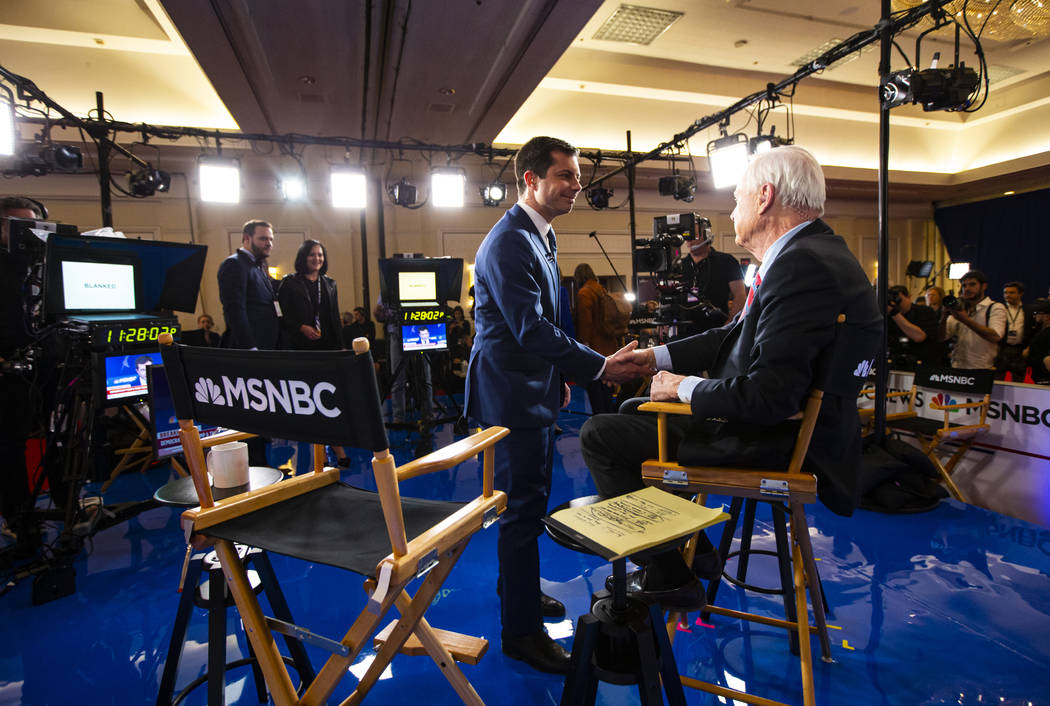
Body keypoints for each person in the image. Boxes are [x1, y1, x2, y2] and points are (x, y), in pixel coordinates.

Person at [579, 145, 881, 610]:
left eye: (737, 199)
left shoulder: (802, 265)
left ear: (764, 197)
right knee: (629, 411)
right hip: (790, 427)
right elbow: (732, 335)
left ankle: (669, 573)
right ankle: (695, 556)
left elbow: (768, 396)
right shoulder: (810, 252)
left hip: (781, 437)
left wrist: (681, 387)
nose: (732, 211)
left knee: (602, 434)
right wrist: (654, 358)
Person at [464, 136, 652, 674]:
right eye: (565, 176)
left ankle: (515, 591)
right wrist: (598, 365)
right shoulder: (509, 242)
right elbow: (529, 328)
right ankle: (520, 632)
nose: (576, 186)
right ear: (530, 179)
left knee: (530, 502)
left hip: (531, 384)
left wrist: (558, 376)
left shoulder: (538, 234)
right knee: (522, 510)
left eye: (576, 176)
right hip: (509, 395)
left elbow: (545, 323)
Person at [0, 197, 43, 558]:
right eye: (18, 226)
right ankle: (18, 521)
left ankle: (65, 508)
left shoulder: (37, 267)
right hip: (6, 374)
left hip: (40, 368)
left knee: (59, 445)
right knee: (9, 451)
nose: (27, 235)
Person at [672, 220, 745, 336]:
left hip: (717, 329)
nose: (689, 240)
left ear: (707, 235)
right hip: (685, 332)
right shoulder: (679, 265)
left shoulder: (727, 261)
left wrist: (730, 323)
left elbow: (740, 294)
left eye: (694, 235)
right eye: (687, 235)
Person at [218, 219, 280, 350]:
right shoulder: (234, 264)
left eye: (271, 239)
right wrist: (250, 347)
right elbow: (234, 311)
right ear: (247, 238)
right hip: (249, 348)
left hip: (265, 344)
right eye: (263, 239)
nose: (269, 244)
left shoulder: (259, 266)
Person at [277, 240, 343, 350]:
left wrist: (341, 346)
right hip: (299, 345)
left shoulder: (330, 284)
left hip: (327, 344)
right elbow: (281, 315)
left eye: (320, 255)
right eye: (311, 255)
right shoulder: (289, 282)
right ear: (303, 257)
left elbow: (335, 318)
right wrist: (300, 327)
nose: (317, 259)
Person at [573, 263, 619, 414]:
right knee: (607, 386)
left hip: (594, 345)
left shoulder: (584, 293)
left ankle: (600, 418)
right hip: (608, 342)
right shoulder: (601, 289)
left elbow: (586, 322)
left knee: (595, 386)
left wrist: (584, 344)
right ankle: (609, 416)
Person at [939, 270, 1007, 370]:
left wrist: (965, 320)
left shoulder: (995, 307)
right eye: (964, 286)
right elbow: (941, 338)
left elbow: (995, 336)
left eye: (972, 284)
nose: (967, 289)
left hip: (983, 368)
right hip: (956, 367)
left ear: (984, 286)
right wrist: (943, 317)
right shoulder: (959, 309)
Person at [886, 285, 941, 370]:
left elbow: (919, 337)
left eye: (898, 299)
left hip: (922, 364)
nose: (896, 303)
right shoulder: (888, 317)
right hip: (896, 364)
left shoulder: (925, 312)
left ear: (909, 297)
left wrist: (895, 314)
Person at [997, 281, 1036, 379]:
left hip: (1020, 350)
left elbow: (1034, 331)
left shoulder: (1028, 310)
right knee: (997, 379)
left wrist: (1028, 347)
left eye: (1012, 292)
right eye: (1005, 293)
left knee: (1019, 379)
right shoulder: (999, 309)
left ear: (1020, 294)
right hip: (1002, 349)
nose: (1007, 295)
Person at [1024, 298, 1050, 383]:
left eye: (1037, 313)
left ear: (1047, 315)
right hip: (1039, 376)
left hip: (1044, 378)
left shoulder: (1046, 333)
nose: (1034, 316)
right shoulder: (1039, 331)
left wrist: (1028, 355)